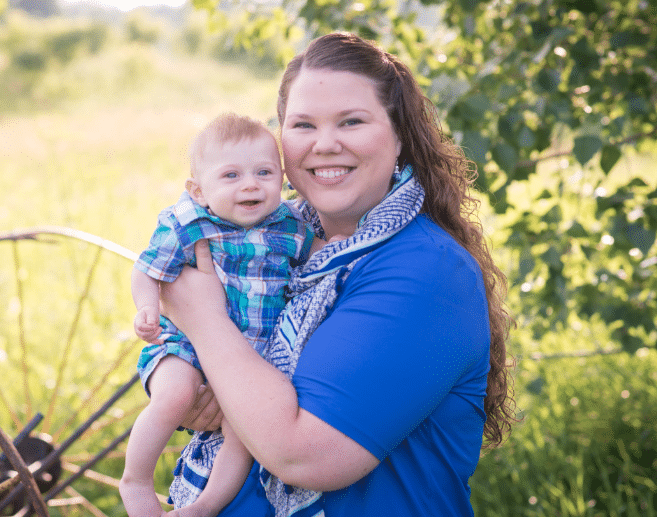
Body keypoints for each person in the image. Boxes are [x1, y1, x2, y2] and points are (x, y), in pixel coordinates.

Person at [160, 32, 516, 517]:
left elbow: (304, 455)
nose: (325, 144)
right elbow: (229, 373)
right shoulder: (272, 246)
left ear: (399, 137)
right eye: (303, 124)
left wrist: (204, 321)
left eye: (351, 121)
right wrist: (196, 392)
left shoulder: (426, 272)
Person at [120, 113, 318, 517]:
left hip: (253, 357)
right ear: (199, 190)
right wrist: (147, 307)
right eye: (231, 176)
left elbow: (319, 259)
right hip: (186, 344)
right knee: (175, 394)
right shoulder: (189, 225)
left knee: (244, 432)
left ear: (281, 179)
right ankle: (136, 479)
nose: (250, 184)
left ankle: (206, 506)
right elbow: (146, 269)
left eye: (264, 172)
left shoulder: (290, 227)